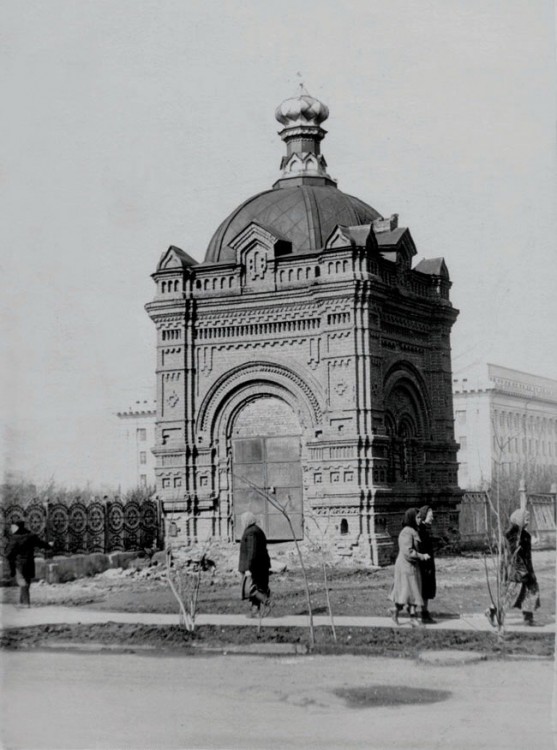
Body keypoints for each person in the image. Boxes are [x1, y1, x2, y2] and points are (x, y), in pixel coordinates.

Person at [389, 508, 430, 627]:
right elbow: (408, 551)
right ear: (411, 518)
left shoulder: (413, 530)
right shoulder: (406, 532)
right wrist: (422, 556)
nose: (420, 519)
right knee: (410, 591)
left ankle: (396, 610)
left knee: (411, 592)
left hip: (412, 566)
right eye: (417, 517)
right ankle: (412, 617)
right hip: (405, 567)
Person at [504, 508, 540, 625]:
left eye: (529, 520)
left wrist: (531, 572)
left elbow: (528, 557)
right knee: (511, 594)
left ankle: (528, 619)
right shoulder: (511, 535)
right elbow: (514, 555)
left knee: (531, 591)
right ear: (519, 519)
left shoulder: (526, 535)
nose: (528, 522)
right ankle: (493, 611)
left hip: (526, 571)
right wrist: (521, 571)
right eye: (526, 519)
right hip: (517, 571)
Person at [6, 520, 53, 607]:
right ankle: (22, 602)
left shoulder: (15, 538)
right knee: (26, 582)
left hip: (19, 564)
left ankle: (26, 602)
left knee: (22, 582)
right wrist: (49, 545)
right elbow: (41, 544)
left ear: (17, 527)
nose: (11, 529)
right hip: (30, 562)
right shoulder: (31, 536)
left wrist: (11, 563)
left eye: (13, 527)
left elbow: (9, 554)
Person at [238, 511, 271, 617]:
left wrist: (248, 568)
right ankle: (255, 612)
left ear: (247, 520)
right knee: (257, 588)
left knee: (250, 589)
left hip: (255, 567)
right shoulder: (255, 530)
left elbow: (252, 551)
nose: (242, 522)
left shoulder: (251, 532)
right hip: (259, 566)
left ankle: (268, 602)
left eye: (243, 520)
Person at [417, 505, 437, 623]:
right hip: (424, 566)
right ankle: (424, 614)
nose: (432, 518)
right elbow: (421, 549)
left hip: (427, 565)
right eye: (431, 516)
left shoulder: (425, 530)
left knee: (426, 590)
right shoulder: (421, 531)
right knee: (424, 590)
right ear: (424, 517)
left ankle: (424, 613)